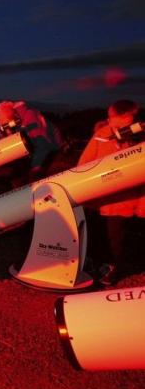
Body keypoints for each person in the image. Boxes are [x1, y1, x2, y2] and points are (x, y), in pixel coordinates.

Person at [78, 99, 145, 285]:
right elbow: (84, 165)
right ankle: (98, 264)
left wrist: (141, 204)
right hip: (101, 201)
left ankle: (113, 268)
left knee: (117, 241)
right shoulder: (101, 137)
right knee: (100, 237)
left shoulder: (138, 140)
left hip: (124, 202)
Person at [0, 99, 63, 186]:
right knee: (17, 178)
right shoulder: (15, 121)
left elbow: (42, 144)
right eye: (3, 126)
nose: (7, 130)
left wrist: (36, 167)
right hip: (33, 149)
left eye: (7, 124)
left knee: (34, 180)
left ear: (13, 115)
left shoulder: (30, 117)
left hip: (50, 148)